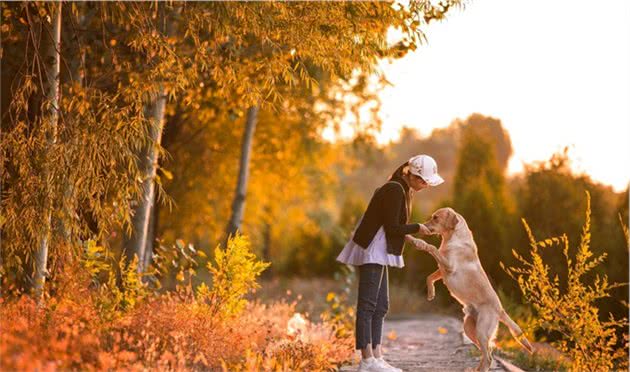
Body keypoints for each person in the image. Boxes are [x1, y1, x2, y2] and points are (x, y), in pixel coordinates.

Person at [336, 154, 444, 372]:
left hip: (380, 249)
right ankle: (366, 361)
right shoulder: (394, 189)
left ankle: (376, 356)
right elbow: (392, 228)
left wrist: (412, 238)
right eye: (423, 180)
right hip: (372, 250)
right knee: (367, 305)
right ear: (412, 175)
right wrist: (417, 228)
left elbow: (392, 226)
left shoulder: (403, 190)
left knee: (381, 305)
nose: (425, 185)